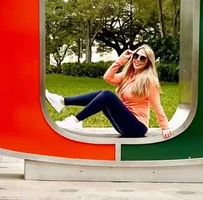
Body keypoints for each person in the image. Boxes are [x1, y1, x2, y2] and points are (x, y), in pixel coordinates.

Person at [45, 45, 173, 139]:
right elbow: (108, 77)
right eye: (136, 56)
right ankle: (62, 101)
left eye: (142, 58)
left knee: (107, 96)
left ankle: (75, 121)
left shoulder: (149, 80)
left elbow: (157, 105)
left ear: (148, 62)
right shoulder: (128, 75)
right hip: (124, 124)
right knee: (102, 94)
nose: (138, 60)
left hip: (137, 127)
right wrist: (120, 60)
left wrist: (165, 127)